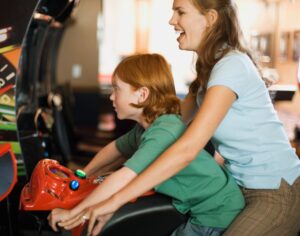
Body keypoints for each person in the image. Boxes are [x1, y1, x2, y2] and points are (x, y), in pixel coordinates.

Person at [65, 0, 300, 236]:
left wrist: (113, 202)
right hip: (242, 188)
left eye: (180, 12)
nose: (172, 20)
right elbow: (170, 121)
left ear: (209, 19)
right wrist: (81, 179)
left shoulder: (231, 66)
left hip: (277, 191)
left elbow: (187, 149)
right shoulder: (209, 69)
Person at [48, 53, 245, 236]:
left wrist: (74, 213)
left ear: (142, 95)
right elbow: (113, 150)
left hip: (215, 212)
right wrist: (81, 177)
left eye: (117, 88)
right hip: (199, 206)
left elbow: (123, 177)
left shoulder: (163, 132)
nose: (111, 96)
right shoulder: (146, 128)